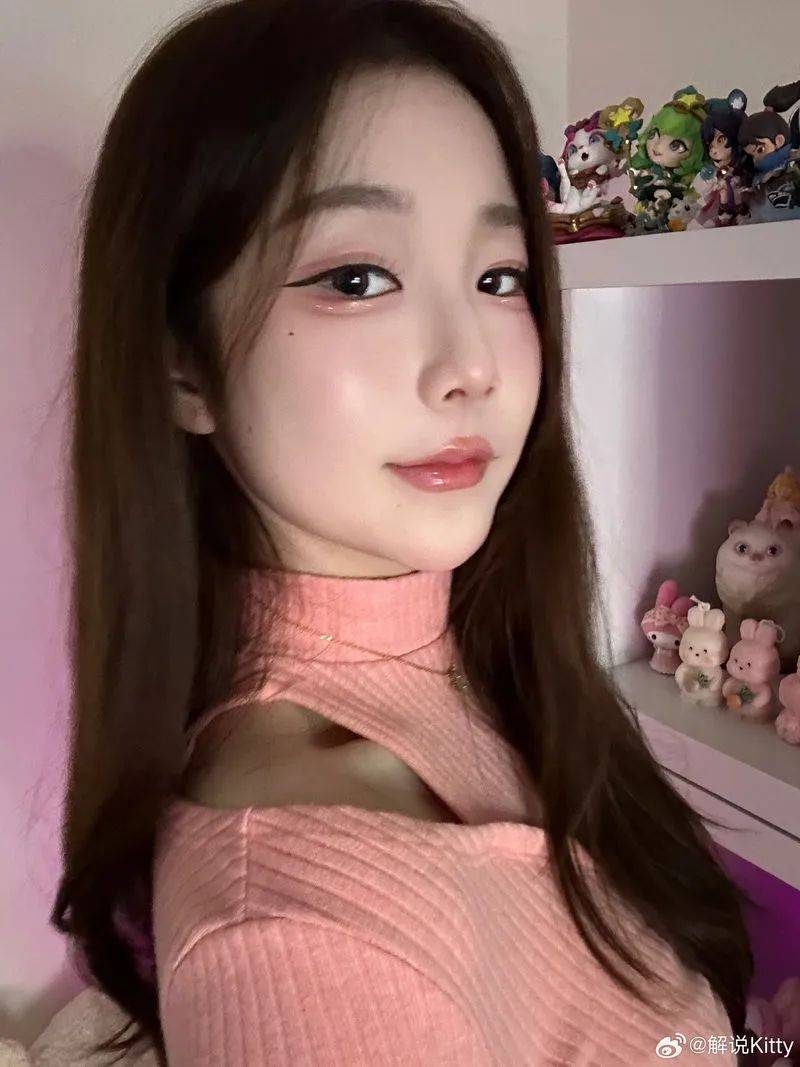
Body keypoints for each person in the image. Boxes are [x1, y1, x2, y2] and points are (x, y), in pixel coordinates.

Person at [51, 0, 753, 1063]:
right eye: (357, 278)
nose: (469, 364)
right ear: (183, 364)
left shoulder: (493, 660)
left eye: (498, 277)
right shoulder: (291, 940)